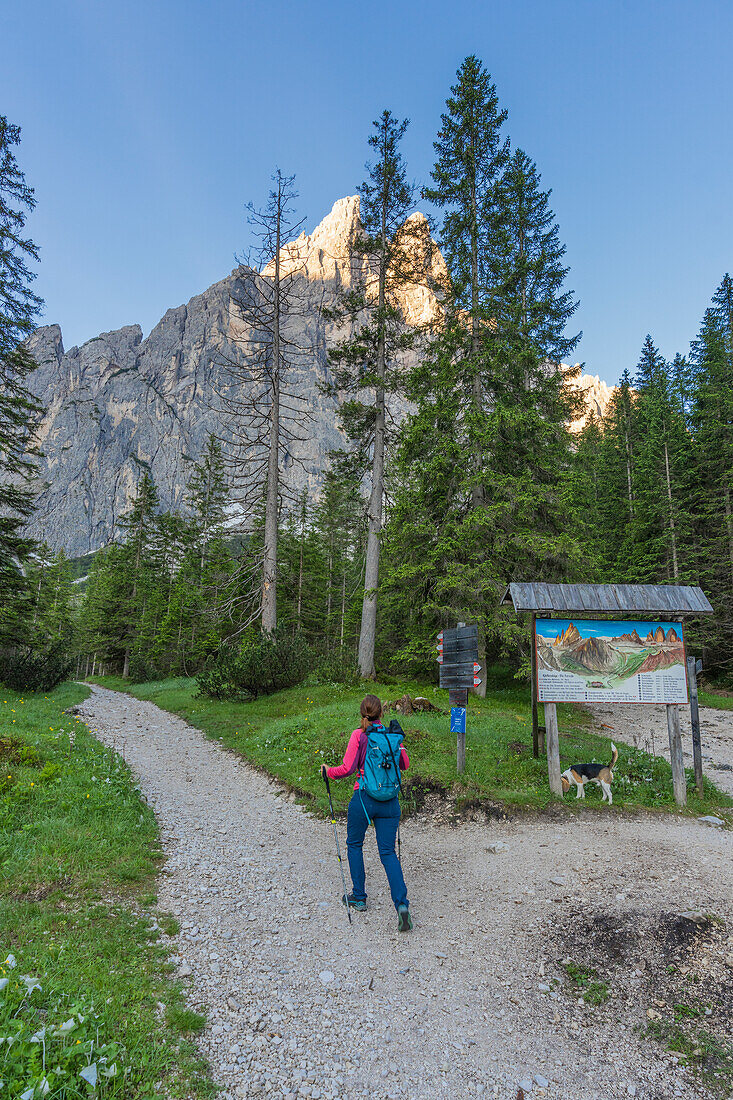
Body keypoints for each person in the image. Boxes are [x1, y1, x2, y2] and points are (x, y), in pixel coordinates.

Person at [321, 694, 412, 931]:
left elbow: (348, 768)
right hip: (390, 801)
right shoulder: (392, 735)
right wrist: (397, 741)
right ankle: (402, 905)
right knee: (388, 852)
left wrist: (328, 771)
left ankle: (359, 897)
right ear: (381, 713)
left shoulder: (359, 735)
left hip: (363, 798)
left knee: (354, 844)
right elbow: (405, 765)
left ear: (362, 713)